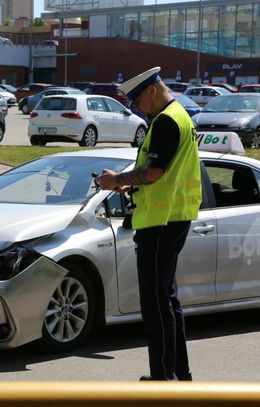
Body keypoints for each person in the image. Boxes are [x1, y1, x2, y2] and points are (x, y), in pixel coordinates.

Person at [96, 67, 202, 381]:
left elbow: (154, 172)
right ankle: (179, 374)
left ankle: (162, 378)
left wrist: (117, 179)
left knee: (156, 305)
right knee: (167, 299)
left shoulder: (167, 120)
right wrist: (130, 184)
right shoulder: (180, 115)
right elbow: (162, 174)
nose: (136, 108)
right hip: (174, 216)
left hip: (161, 221)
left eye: (138, 101)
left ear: (152, 91)